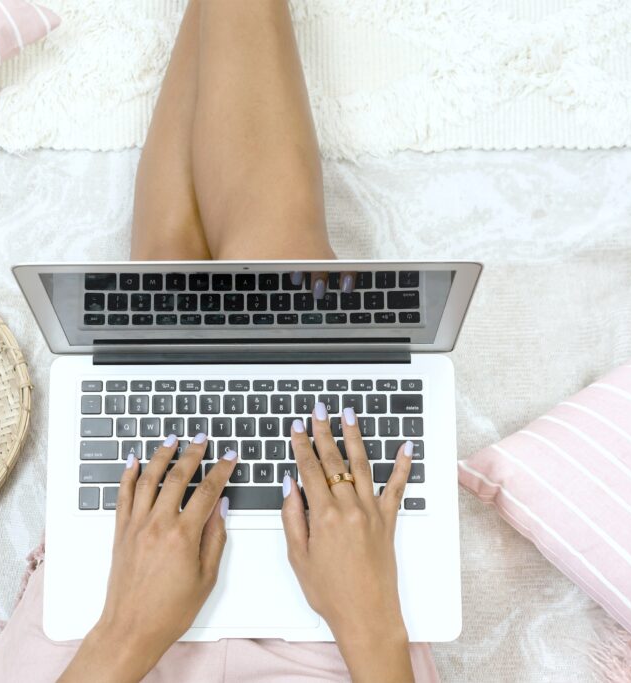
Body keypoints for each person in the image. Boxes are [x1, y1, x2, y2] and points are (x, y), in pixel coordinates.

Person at [61, 2, 416, 681]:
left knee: (165, 285)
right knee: (277, 271)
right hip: (346, 646)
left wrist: (126, 630)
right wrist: (369, 620)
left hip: (109, 646)